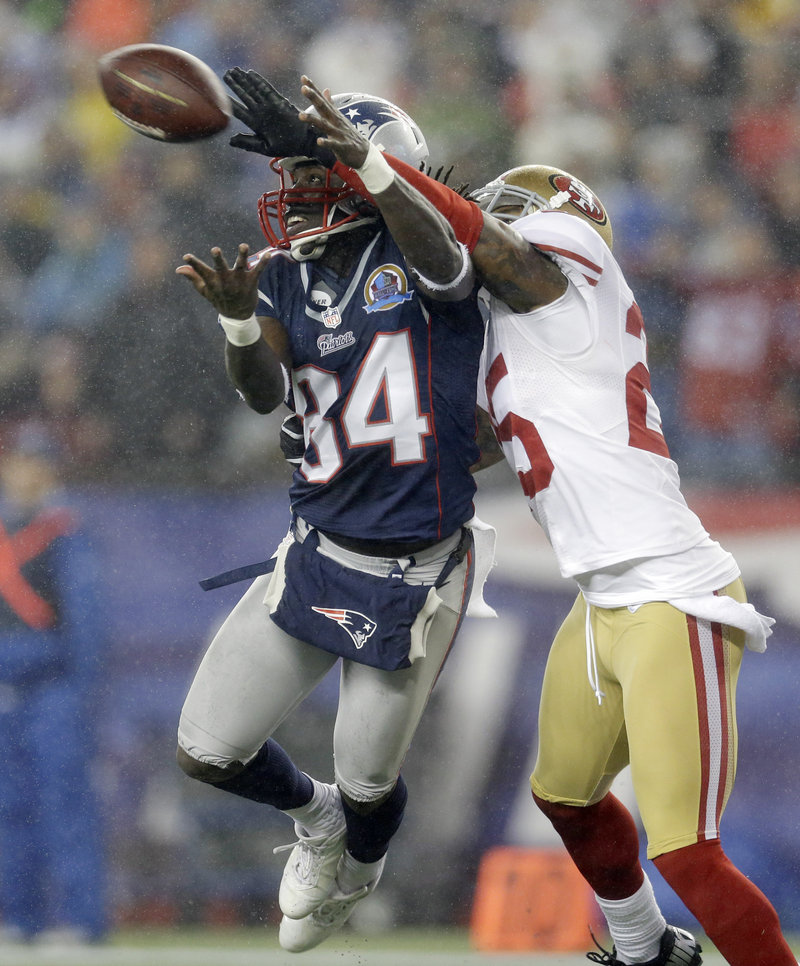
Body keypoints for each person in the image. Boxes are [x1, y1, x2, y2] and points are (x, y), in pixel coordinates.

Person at [235, 74, 797, 966]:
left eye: (508, 211)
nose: (492, 217)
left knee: (687, 849)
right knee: (567, 796)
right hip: (603, 599)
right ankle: (645, 948)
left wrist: (372, 164)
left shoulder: (569, 279)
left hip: (670, 590)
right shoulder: (516, 347)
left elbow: (483, 242)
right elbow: (447, 441)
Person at [174, 75, 493, 954]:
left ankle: (358, 858)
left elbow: (446, 253)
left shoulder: (421, 254)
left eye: (314, 180)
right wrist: (240, 325)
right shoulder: (283, 275)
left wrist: (362, 159)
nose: (296, 197)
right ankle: (314, 820)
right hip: (316, 550)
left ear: (366, 177)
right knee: (206, 752)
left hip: (414, 570)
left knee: (370, 790)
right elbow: (263, 392)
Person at [0, 421, 107, 945]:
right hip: (5, 695)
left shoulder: (65, 532)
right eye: (21, 460)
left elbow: (85, 626)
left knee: (65, 807)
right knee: (8, 809)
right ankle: (17, 918)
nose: (28, 472)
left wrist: (84, 696)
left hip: (53, 691)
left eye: (39, 462)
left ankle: (81, 923)